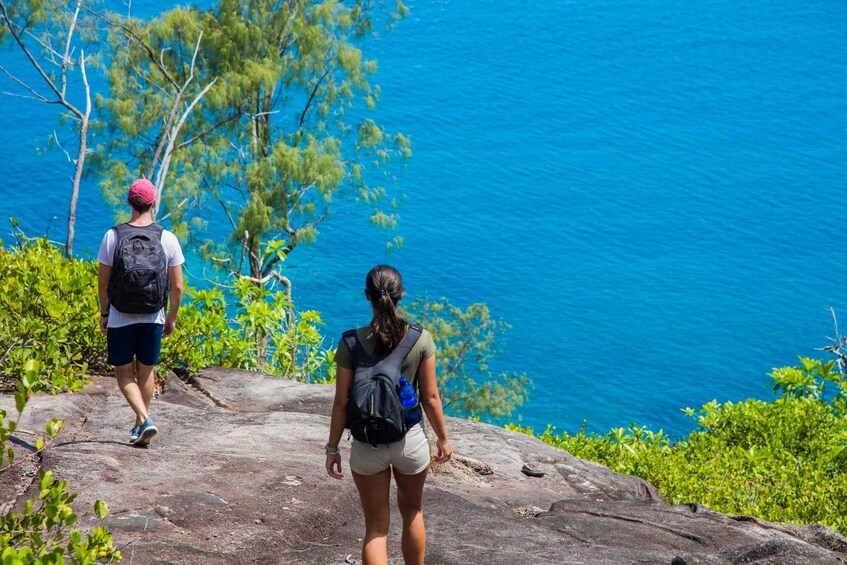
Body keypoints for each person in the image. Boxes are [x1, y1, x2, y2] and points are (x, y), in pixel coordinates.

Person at [326, 265, 452, 565]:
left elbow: (341, 402)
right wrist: (444, 439)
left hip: (367, 446)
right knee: (413, 513)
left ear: (367, 296)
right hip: (409, 442)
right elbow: (431, 398)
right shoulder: (420, 340)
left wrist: (333, 448)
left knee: (376, 529)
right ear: (400, 296)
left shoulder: (350, 343)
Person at [97, 178, 184, 447]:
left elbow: (103, 281)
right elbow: (177, 285)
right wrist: (171, 318)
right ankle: (142, 424)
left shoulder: (113, 236)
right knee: (147, 372)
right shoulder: (166, 238)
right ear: (153, 203)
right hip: (153, 316)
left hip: (121, 315)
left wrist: (104, 313)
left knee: (124, 373)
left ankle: (143, 422)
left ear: (129, 203)